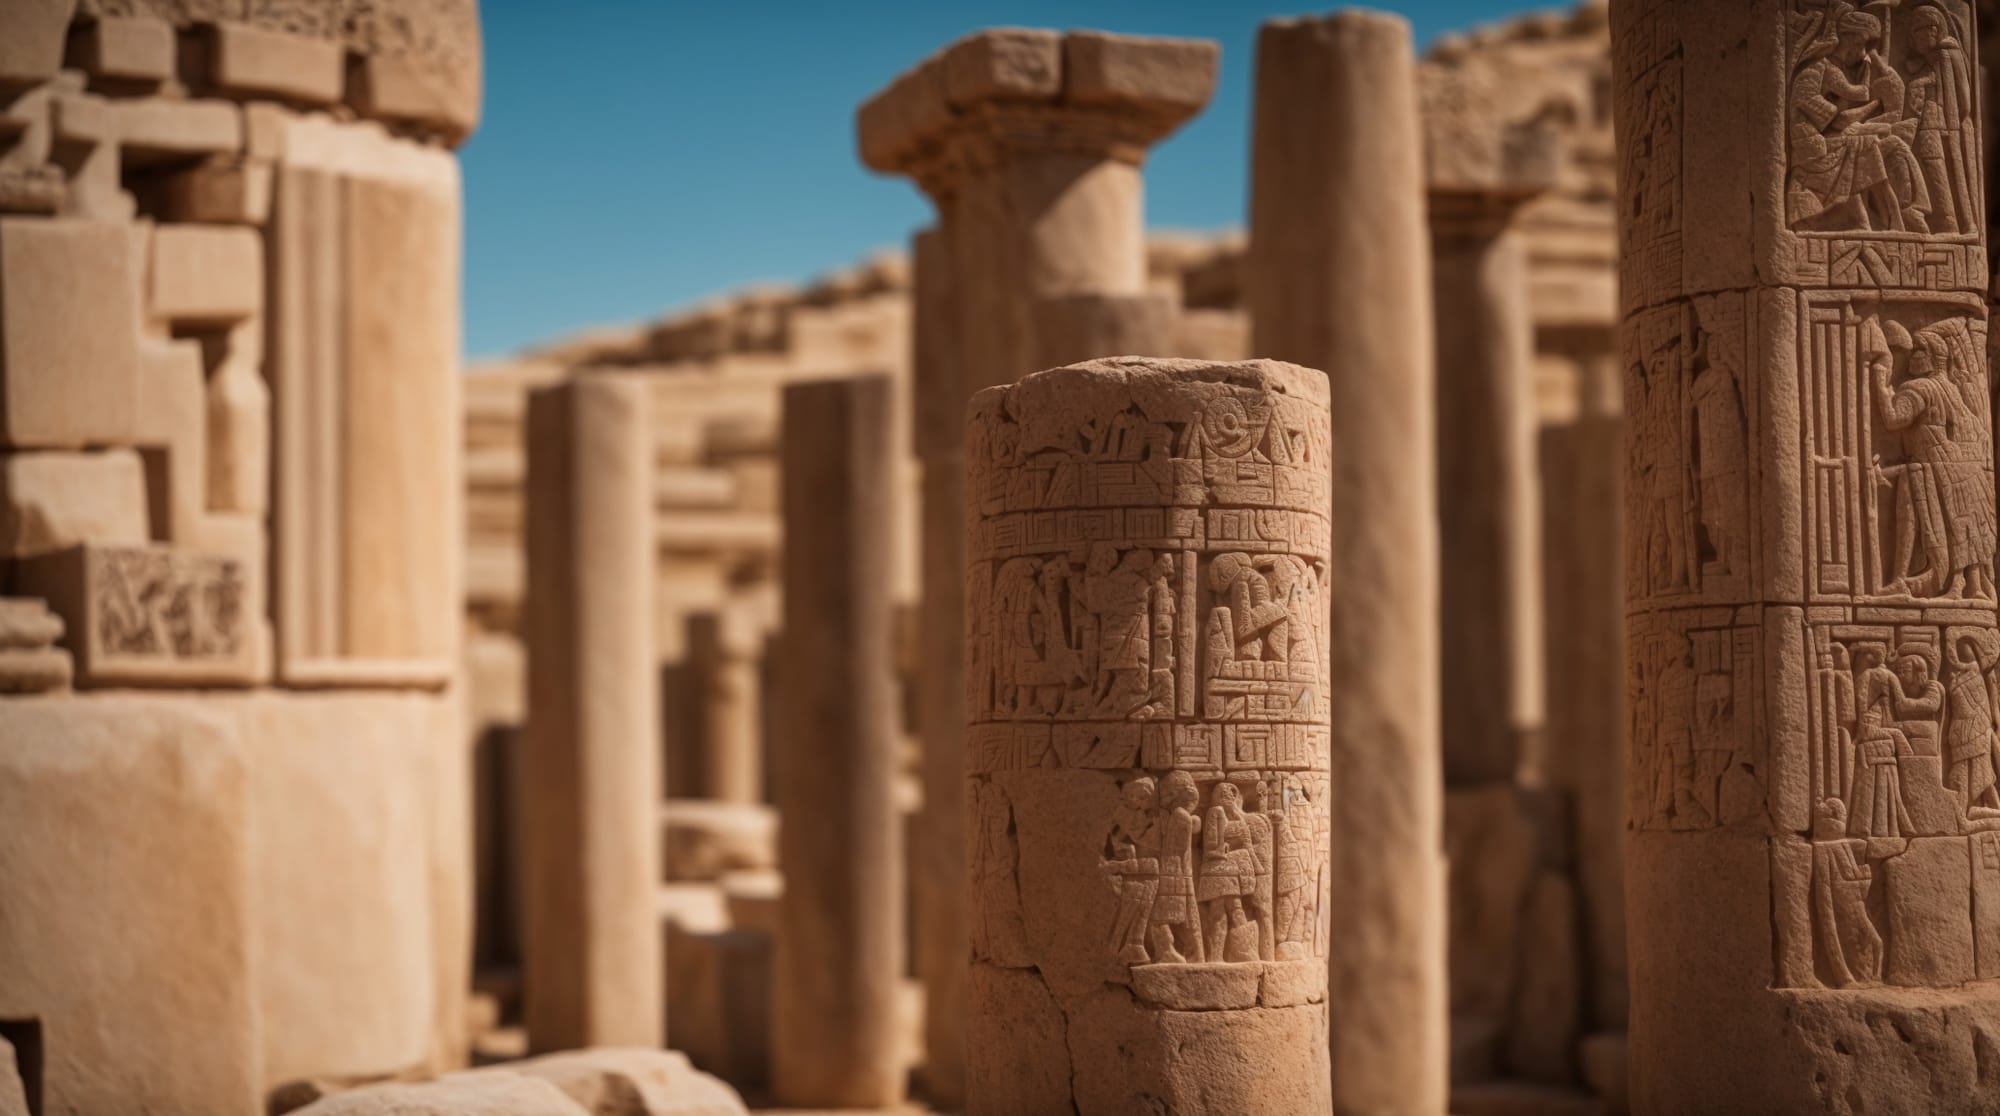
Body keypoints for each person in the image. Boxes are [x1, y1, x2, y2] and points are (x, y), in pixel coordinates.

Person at [1872, 317, 1997, 600]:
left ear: (1935, 359)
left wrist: (1880, 381)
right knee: (1963, 523)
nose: (1914, 357)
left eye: (1920, 352)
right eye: (1914, 351)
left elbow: (1894, 420)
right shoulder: (1950, 388)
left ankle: (1956, 585)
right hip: (1961, 465)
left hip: (1935, 463)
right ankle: (1967, 585)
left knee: (1951, 522)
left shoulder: (1920, 388)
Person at [1788, 7, 1932, 232]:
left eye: (1866, 46)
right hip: (1814, 150)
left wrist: (1881, 120)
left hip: (1834, 142)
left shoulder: (1838, 71)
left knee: (1896, 145)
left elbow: (1856, 99)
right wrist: (1876, 107)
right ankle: (1881, 217)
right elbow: (1842, 117)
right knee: (1866, 144)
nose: (1862, 51)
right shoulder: (1815, 73)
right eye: (1859, 44)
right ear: (1846, 40)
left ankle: (1911, 209)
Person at [1904, 4, 1979, 235]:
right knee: (1930, 165)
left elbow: (1965, 99)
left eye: (1918, 31)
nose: (1914, 38)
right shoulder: (1931, 61)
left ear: (1933, 30)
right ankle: (1945, 218)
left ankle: (1948, 220)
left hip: (1939, 122)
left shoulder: (1949, 53)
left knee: (1936, 166)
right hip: (1930, 123)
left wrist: (1953, 118)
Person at [1100, 777, 1161, 965]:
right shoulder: (1123, 815)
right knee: (1129, 909)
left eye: (1145, 798)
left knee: (1143, 909)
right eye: (1138, 798)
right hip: (1131, 870)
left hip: (1146, 869)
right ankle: (1114, 948)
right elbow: (1132, 840)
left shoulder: (1146, 816)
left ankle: (1135, 944)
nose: (1141, 803)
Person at [1197, 781, 1260, 963]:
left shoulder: (1229, 814)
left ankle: (1242, 952)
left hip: (1228, 869)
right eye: (1225, 794)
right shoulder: (1215, 812)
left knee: (1234, 908)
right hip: (1217, 868)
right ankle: (1218, 955)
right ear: (1217, 796)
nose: (1230, 798)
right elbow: (1210, 846)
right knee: (1220, 910)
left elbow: (1242, 833)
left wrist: (1235, 812)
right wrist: (1223, 849)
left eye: (1233, 795)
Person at [1150, 772, 1204, 963]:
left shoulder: (1177, 816)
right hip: (1176, 868)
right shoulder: (1181, 816)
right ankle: (1169, 950)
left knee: (1177, 912)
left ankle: (1190, 953)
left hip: (1176, 867)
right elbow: (1180, 845)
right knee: (1169, 911)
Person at [1945, 635, 2000, 817]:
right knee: (1970, 774)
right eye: (1961, 650)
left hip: (1977, 728)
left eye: (1967, 649)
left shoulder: (1976, 671)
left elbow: (1986, 701)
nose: (1964, 653)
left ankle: (1985, 809)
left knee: (1982, 772)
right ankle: (1974, 809)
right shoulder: (1957, 678)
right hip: (1962, 732)